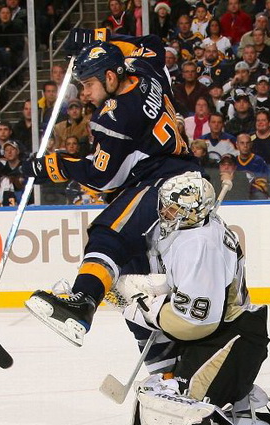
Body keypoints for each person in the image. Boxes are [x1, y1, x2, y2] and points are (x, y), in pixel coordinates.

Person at [24, 30, 202, 347]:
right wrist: (99, 38)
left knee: (108, 233)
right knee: (132, 289)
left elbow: (104, 177)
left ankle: (81, 305)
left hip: (164, 180)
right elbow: (152, 43)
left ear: (109, 76)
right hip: (178, 178)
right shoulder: (148, 70)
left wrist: (54, 164)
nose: (85, 95)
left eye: (89, 85)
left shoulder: (115, 116)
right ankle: (168, 373)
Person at [121, 172, 270, 425]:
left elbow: (194, 324)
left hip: (231, 340)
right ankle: (236, 402)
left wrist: (142, 307)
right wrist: (159, 285)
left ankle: (235, 412)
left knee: (184, 408)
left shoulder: (199, 243)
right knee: (170, 391)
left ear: (193, 211)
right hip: (224, 335)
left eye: (174, 209)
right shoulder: (199, 227)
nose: (166, 214)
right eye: (165, 206)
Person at [236, 132, 270, 199]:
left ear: (251, 144)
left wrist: (247, 189)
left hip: (254, 194)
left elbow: (262, 184)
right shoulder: (234, 161)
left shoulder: (259, 161)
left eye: (247, 143)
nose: (245, 146)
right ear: (237, 145)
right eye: (242, 143)